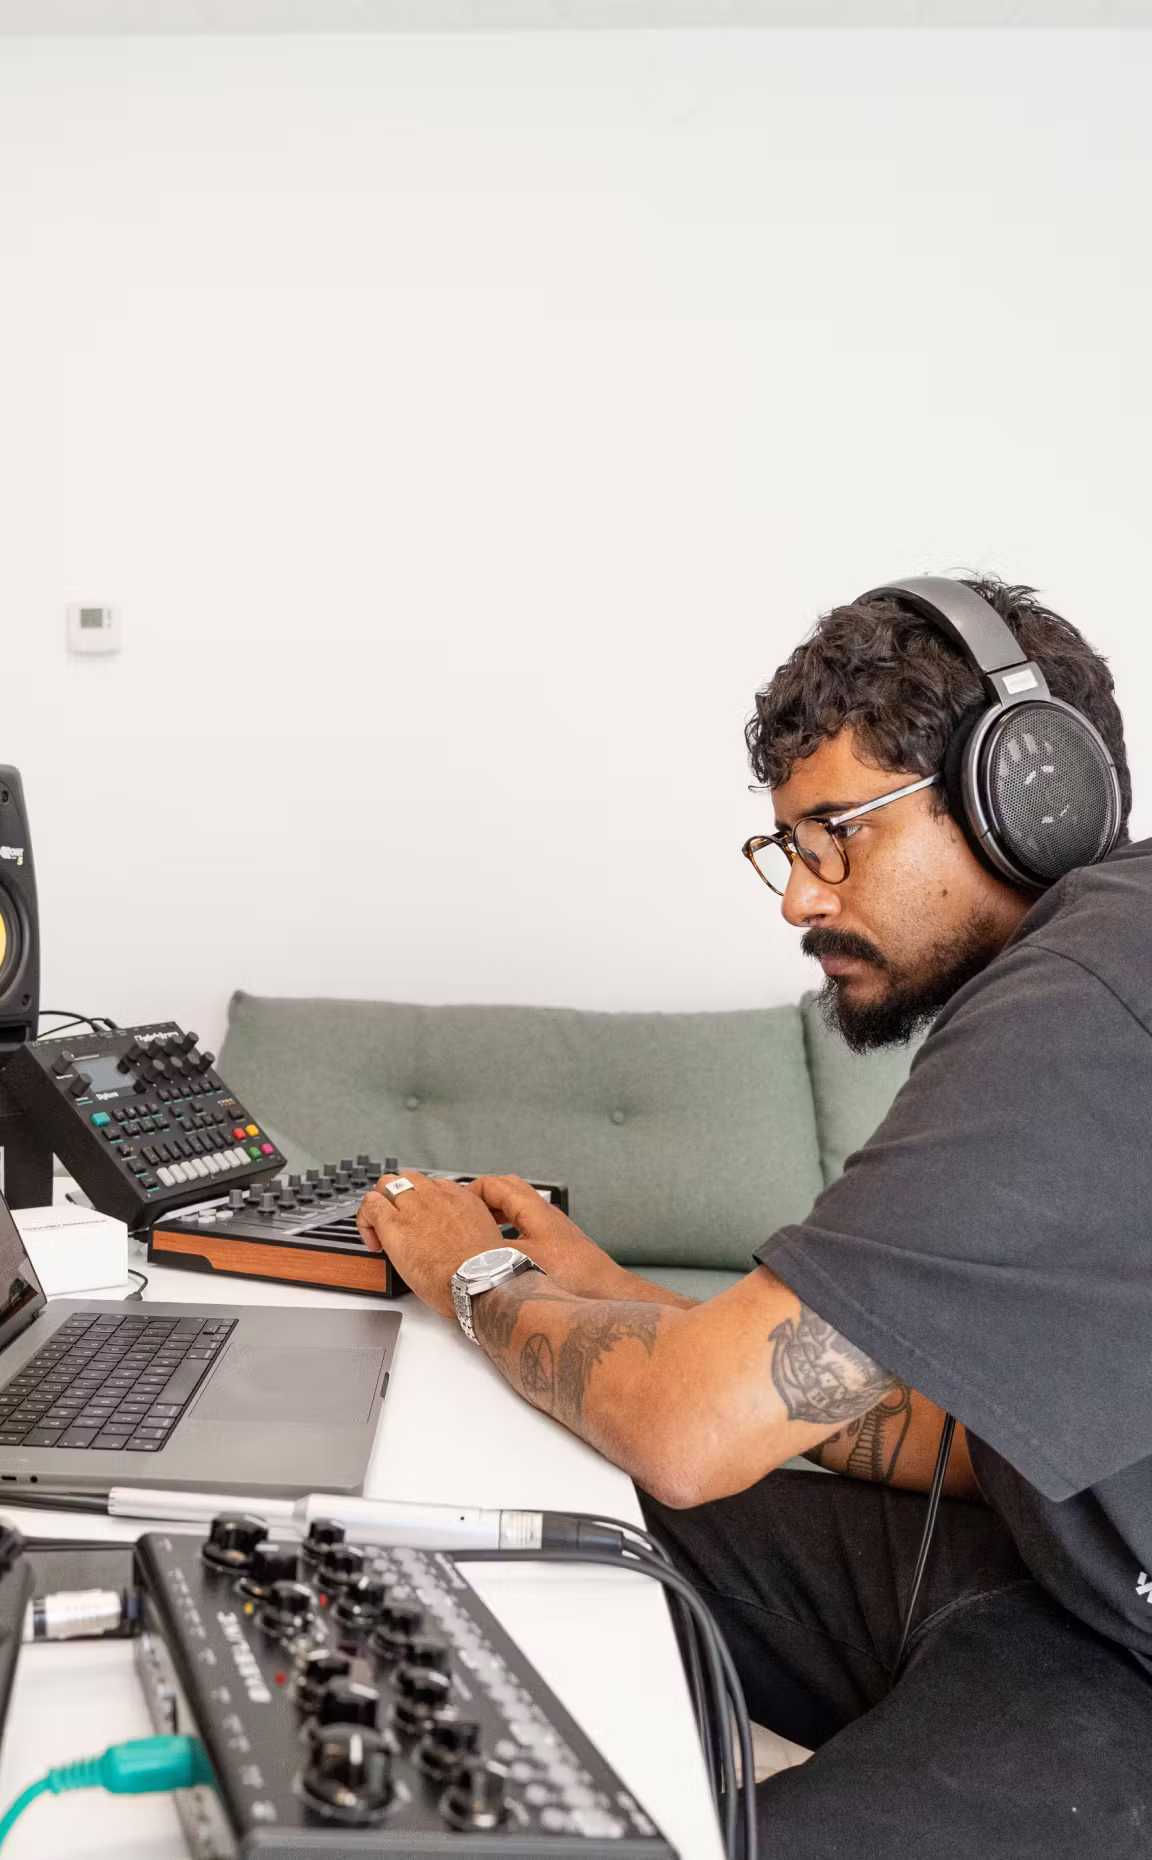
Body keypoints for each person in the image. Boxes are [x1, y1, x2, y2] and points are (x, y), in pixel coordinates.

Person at [356, 576, 1152, 1859]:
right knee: (552, 1516)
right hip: (1051, 1568)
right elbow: (947, 1432)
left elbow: (686, 1429)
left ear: (1024, 793)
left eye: (838, 835)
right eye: (790, 846)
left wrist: (476, 1273)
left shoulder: (1079, 1000)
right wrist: (625, 1301)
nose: (800, 899)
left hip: (1126, 1665)